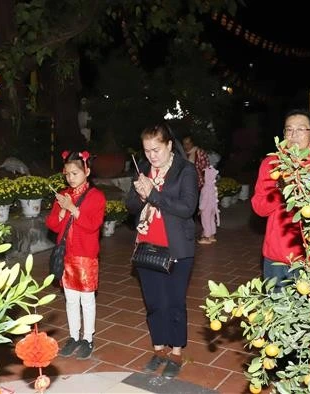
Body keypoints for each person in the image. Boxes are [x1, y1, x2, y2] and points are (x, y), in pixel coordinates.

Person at [126, 122, 198, 379]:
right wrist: (139, 192)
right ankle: (159, 348)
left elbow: (187, 207)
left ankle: (176, 349)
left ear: (169, 145)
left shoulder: (185, 170)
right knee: (155, 302)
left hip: (177, 247)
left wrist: (154, 195)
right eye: (146, 151)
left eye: (156, 150)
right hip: (148, 245)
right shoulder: (144, 169)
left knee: (174, 301)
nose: (151, 156)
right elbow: (131, 206)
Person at [251, 109, 310, 289]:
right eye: (289, 130)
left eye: (301, 129)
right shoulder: (271, 164)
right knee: (276, 311)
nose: (294, 135)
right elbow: (259, 208)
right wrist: (280, 190)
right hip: (277, 255)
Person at [45, 150, 106, 360]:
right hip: (67, 255)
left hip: (86, 256)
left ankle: (88, 338)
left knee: (87, 300)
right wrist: (62, 211)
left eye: (75, 173)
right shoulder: (64, 195)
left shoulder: (96, 196)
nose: (71, 178)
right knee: (70, 300)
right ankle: (73, 336)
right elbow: (51, 224)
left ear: (87, 171)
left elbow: (93, 226)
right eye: (68, 174)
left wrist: (73, 208)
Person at [197, 166, 220, 244]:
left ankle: (206, 237)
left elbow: (204, 200)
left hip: (206, 209)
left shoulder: (206, 188)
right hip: (213, 208)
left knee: (206, 222)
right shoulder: (213, 187)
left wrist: (201, 208)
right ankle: (212, 236)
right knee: (211, 221)